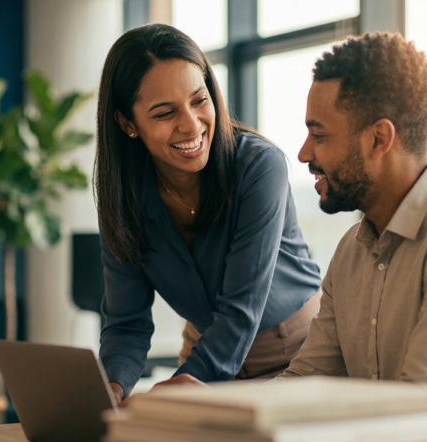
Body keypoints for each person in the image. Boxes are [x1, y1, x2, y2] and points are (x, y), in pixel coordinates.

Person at [276, 32, 427, 433]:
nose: (304, 153)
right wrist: (206, 408)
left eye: (320, 134)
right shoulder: (350, 250)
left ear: (379, 139)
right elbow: (306, 382)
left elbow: (425, 415)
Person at [94, 23, 322, 406]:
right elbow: (126, 324)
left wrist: (172, 394)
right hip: (205, 352)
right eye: (165, 112)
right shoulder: (123, 198)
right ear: (127, 123)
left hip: (293, 353)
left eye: (199, 100)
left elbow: (240, 311)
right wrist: (111, 390)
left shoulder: (258, 167)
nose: (191, 124)